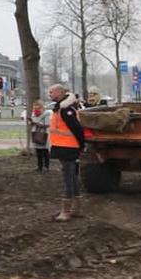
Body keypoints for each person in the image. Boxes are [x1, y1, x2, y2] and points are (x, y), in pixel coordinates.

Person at [48, 83, 86, 221]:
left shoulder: (65, 110)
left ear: (59, 93)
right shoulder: (61, 108)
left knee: (68, 178)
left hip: (67, 148)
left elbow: (77, 129)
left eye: (51, 92)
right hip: (64, 147)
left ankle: (66, 211)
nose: (49, 94)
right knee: (72, 177)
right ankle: (76, 208)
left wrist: (81, 145)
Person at [29, 100, 51, 172]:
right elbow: (32, 123)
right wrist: (31, 122)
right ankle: (40, 166)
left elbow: (47, 124)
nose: (35, 107)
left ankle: (46, 166)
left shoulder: (46, 114)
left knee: (44, 151)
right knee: (38, 151)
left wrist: (38, 124)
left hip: (43, 133)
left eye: (37, 106)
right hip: (36, 133)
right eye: (34, 106)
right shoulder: (33, 114)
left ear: (41, 106)